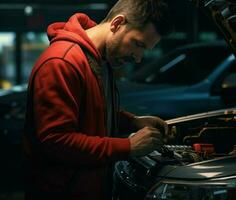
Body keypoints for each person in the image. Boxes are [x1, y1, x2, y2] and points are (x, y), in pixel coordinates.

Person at [23, 0, 173, 200]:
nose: (138, 58)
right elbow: (55, 141)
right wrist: (127, 147)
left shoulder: (101, 59)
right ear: (117, 23)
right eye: (138, 44)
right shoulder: (62, 62)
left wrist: (132, 121)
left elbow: (89, 109)